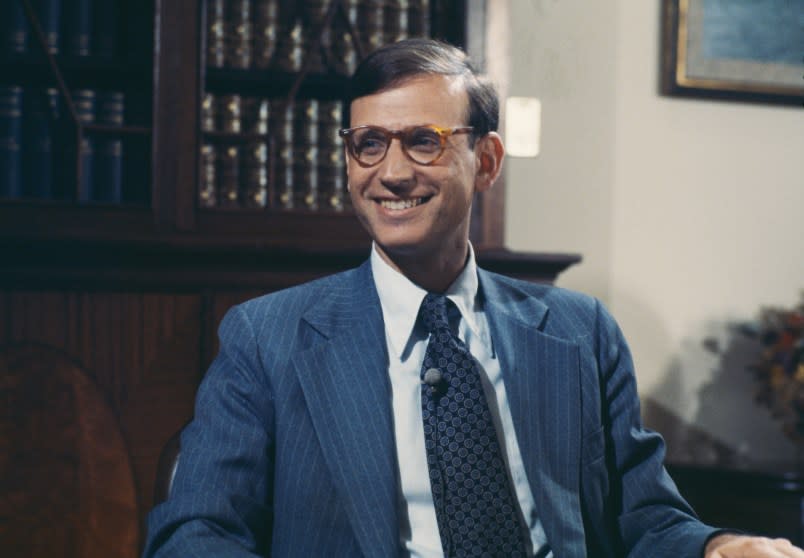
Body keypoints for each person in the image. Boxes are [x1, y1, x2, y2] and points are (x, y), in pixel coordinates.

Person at [143, 38, 804, 558]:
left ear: (486, 161)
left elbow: (645, 516)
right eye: (367, 144)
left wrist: (717, 545)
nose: (391, 172)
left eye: (423, 141)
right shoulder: (268, 337)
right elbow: (194, 535)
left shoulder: (579, 330)